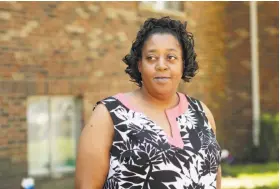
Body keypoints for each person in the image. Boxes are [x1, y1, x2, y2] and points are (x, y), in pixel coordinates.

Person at [75, 16, 222, 189]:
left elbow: (214, 179)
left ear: (183, 63)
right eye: (151, 58)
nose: (161, 65)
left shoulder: (201, 113)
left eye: (171, 57)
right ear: (139, 65)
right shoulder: (109, 115)